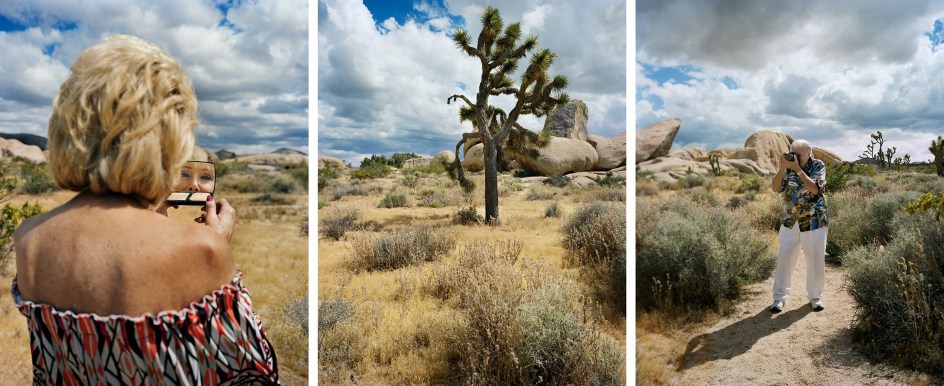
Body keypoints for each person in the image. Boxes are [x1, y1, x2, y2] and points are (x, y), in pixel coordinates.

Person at [11, 35, 279, 384]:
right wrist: (217, 245)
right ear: (168, 138)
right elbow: (253, 376)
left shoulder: (29, 238)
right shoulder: (200, 249)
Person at [769, 139, 828, 313]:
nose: (794, 156)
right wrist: (781, 168)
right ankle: (779, 298)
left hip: (814, 220)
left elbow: (816, 189)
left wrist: (798, 170)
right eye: (792, 152)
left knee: (816, 259)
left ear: (808, 152)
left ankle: (815, 297)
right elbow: (775, 188)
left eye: (798, 153)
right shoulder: (787, 166)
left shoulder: (818, 165)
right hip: (790, 220)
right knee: (784, 258)